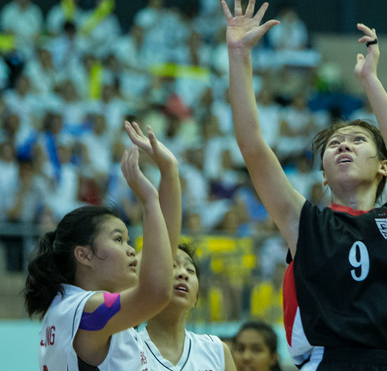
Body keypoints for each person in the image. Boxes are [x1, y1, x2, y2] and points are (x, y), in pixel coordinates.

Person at [222, 0, 387, 370]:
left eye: (357, 140)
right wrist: (238, 56)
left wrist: (370, 80)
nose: (344, 144)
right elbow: (252, 147)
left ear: (383, 166)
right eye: (334, 144)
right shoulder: (307, 225)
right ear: (324, 175)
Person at [24, 121, 180, 370]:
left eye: (128, 241)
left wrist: (169, 171)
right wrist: (149, 201)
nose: (131, 250)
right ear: (84, 255)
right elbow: (158, 291)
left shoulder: (73, 305)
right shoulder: (88, 310)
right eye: (118, 240)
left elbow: (164, 254)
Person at [140, 242, 236, 370]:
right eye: (173, 266)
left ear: (195, 298)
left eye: (190, 270)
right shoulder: (128, 346)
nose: (183, 274)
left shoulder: (217, 351)